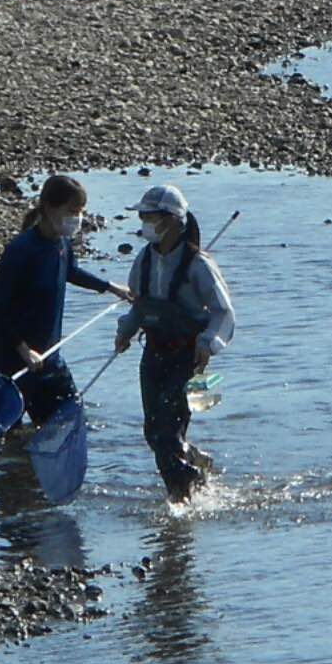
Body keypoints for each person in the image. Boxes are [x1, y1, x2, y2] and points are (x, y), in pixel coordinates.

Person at [0, 174, 126, 437]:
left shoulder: (62, 242)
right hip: (12, 363)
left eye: (80, 211)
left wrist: (110, 287)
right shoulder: (21, 250)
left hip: (49, 358)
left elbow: (71, 271)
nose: (77, 218)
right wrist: (24, 350)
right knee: (1, 439)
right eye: (71, 211)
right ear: (48, 207)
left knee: (67, 423)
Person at [115, 185, 235, 503]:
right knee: (153, 434)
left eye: (149, 217)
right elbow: (139, 305)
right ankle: (194, 465)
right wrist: (125, 331)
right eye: (142, 217)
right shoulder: (143, 261)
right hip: (152, 355)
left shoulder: (198, 265)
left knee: (168, 433)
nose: (144, 223)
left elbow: (223, 312)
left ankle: (181, 498)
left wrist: (208, 343)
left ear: (172, 220)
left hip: (186, 358)